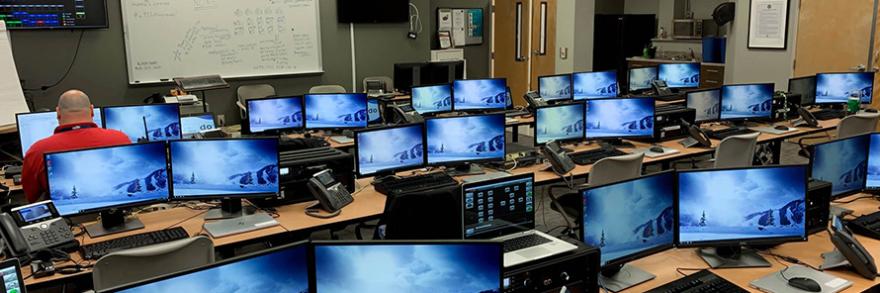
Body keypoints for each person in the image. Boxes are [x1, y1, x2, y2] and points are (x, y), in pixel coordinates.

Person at [21, 90, 131, 203]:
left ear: (58, 112)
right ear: (92, 110)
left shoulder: (37, 150)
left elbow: (31, 198)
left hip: (66, 218)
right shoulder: (121, 138)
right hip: (118, 213)